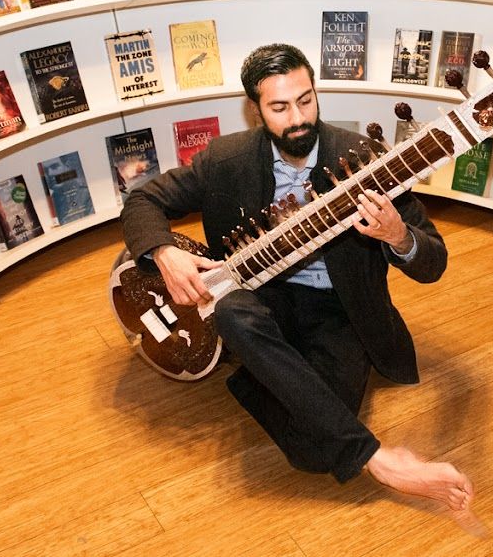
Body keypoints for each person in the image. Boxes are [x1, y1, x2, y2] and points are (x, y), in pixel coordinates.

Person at [122, 44, 473, 512]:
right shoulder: (225, 159)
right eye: (280, 107)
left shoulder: (365, 158)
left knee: (310, 449)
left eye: (306, 100)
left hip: (340, 311)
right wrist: (164, 250)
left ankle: (260, 381)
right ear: (256, 110)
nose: (298, 118)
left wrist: (398, 235)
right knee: (232, 312)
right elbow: (142, 200)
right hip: (264, 300)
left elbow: (434, 262)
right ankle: (382, 461)